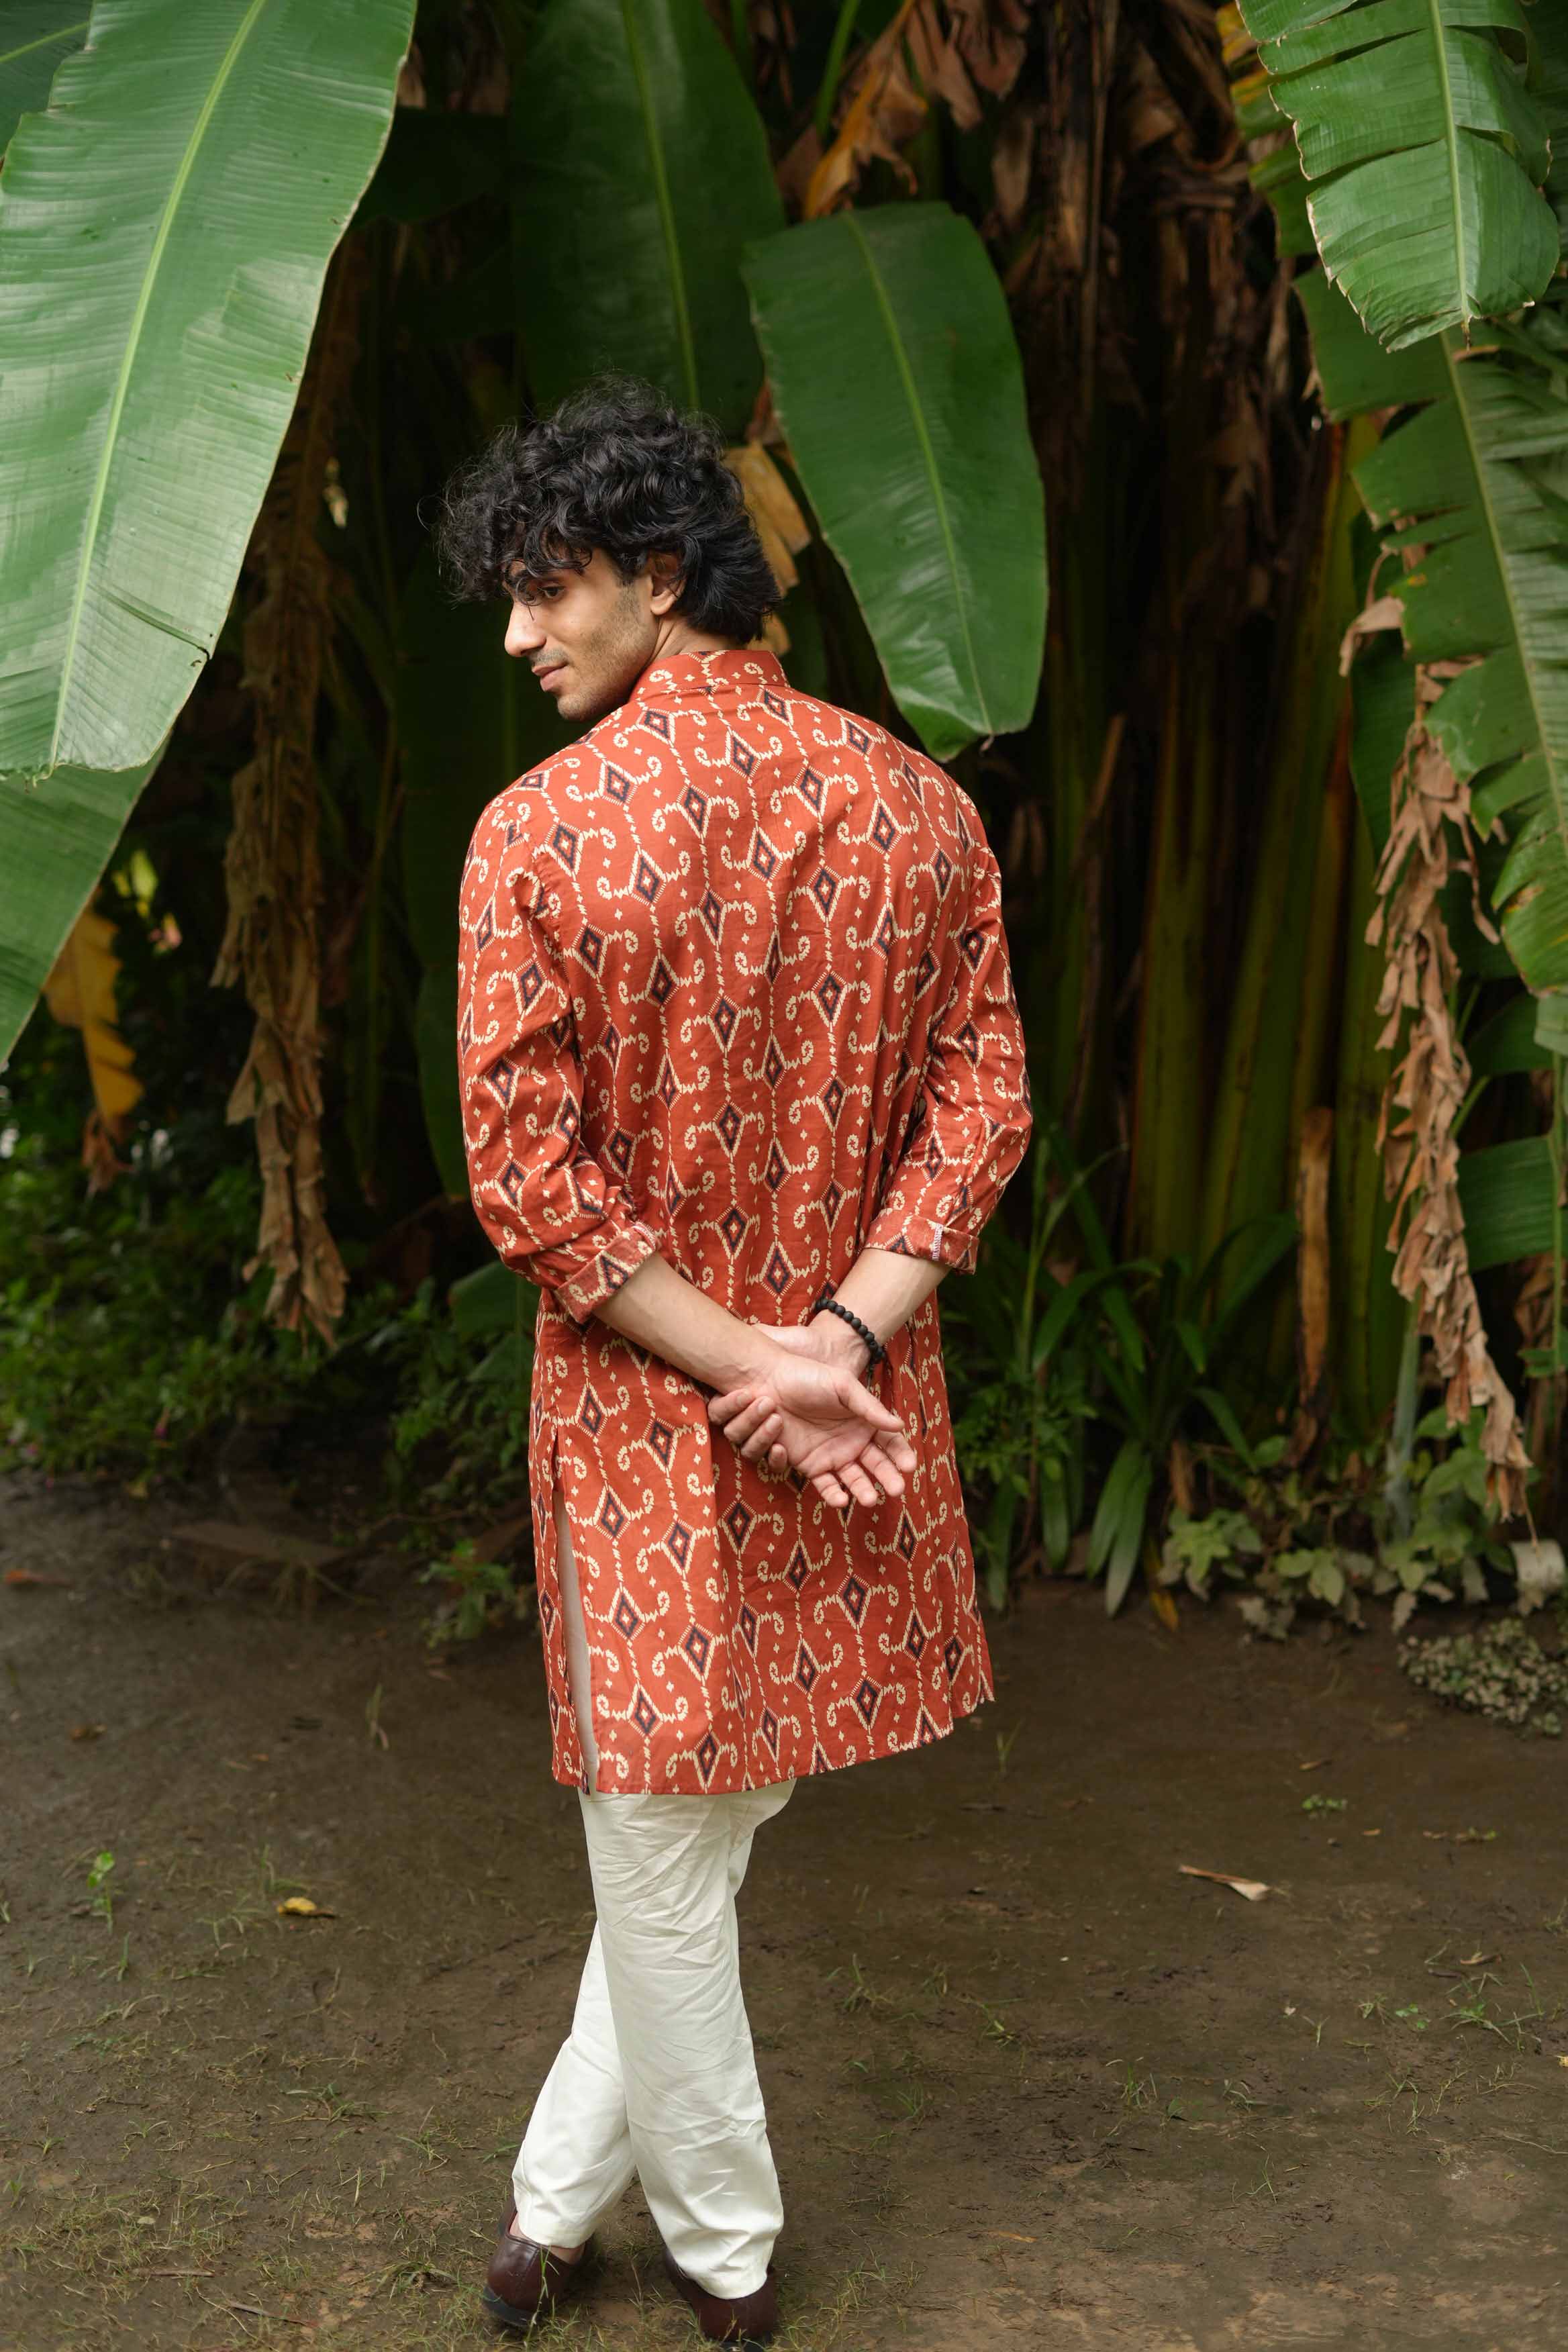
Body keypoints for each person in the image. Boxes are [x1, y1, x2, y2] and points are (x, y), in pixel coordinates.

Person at [440, 377, 1032, 2346]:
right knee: (693, 1825)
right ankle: (546, 2213)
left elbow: (533, 1193)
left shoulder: (534, 837)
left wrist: (757, 1361)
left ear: (660, 577)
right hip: (850, 1409)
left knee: (670, 1845)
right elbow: (985, 1110)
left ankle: (727, 2259)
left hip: (646, 1427)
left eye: (545, 591)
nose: (519, 635)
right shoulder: (920, 806)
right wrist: (833, 1344)